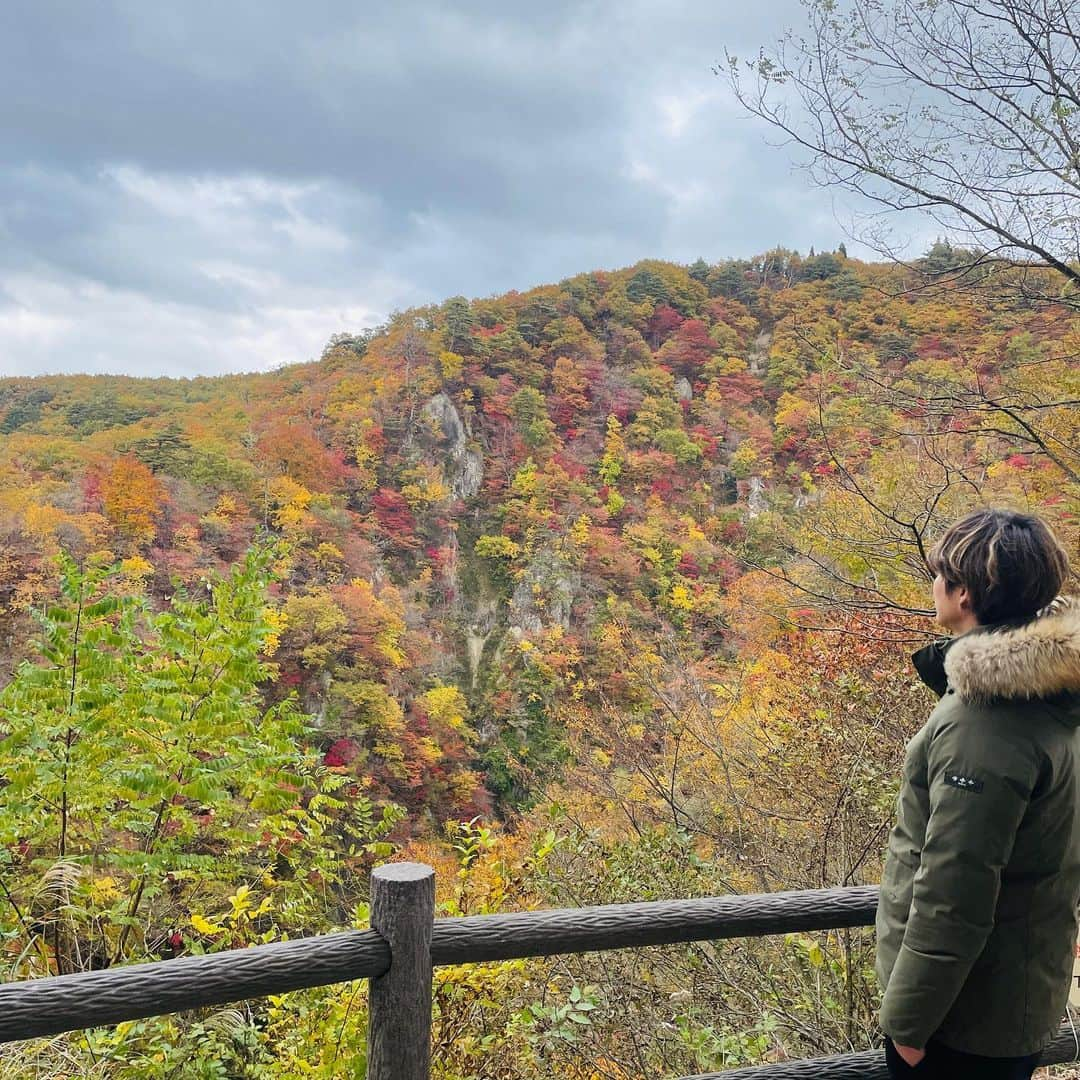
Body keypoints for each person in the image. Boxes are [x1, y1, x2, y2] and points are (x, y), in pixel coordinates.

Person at [875, 507, 1080, 1079]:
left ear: (963, 593)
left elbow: (955, 888)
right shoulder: (1051, 694)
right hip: (1011, 996)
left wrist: (910, 1025)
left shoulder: (985, 721)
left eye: (940, 574)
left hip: (963, 1023)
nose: (933, 585)